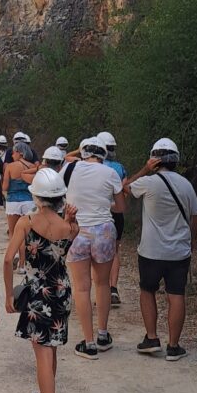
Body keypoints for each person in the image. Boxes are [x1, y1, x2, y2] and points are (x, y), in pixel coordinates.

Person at [3, 168, 77, 393]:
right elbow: (70, 241)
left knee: (42, 353)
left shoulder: (26, 222)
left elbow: (8, 258)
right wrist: (71, 219)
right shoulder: (68, 227)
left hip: (37, 294)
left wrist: (9, 294)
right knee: (51, 347)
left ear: (36, 195)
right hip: (61, 291)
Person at [126, 138, 197, 361]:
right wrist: (193, 238)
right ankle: (174, 346)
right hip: (178, 252)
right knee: (176, 295)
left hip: (150, 251)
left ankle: (151, 338)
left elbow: (125, 188)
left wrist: (144, 169)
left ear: (154, 159)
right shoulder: (186, 185)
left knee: (147, 290)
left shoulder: (148, 183)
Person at [65, 137, 125, 358]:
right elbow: (120, 207)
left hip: (77, 229)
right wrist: (104, 203)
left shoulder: (70, 168)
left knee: (81, 288)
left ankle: (88, 343)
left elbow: (60, 196)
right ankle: (102, 334)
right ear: (104, 155)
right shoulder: (111, 173)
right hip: (104, 231)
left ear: (82, 152)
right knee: (102, 283)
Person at [97, 131, 127, 307]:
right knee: (115, 251)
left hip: (98, 213)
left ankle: (100, 290)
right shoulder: (120, 168)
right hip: (116, 213)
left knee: (97, 253)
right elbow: (123, 192)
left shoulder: (90, 166)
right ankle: (113, 288)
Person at [2, 142, 38, 266]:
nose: (12, 155)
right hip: (28, 201)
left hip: (13, 202)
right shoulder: (32, 166)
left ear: (20, 153)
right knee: (26, 234)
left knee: (13, 232)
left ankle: (14, 256)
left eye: (14, 152)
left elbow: (5, 187)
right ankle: (23, 263)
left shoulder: (10, 167)